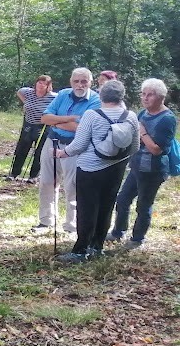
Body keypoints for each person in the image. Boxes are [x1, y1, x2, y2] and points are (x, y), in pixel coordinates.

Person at [55, 80, 135, 262]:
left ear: (101, 96)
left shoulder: (92, 115)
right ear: (121, 96)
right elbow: (135, 146)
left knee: (87, 208)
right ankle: (97, 247)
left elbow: (79, 144)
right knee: (106, 207)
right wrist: (118, 161)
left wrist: (62, 152)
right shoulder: (130, 116)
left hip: (90, 169)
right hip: (116, 169)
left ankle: (80, 250)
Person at [108, 79, 176, 250]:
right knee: (122, 199)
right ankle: (118, 231)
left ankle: (137, 239)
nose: (145, 98)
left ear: (161, 97)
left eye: (150, 94)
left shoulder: (167, 119)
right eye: (143, 94)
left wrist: (142, 131)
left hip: (153, 170)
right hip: (137, 166)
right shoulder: (142, 114)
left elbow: (156, 150)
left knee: (143, 205)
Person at [37, 68, 100, 234]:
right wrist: (69, 119)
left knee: (72, 186)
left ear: (90, 83)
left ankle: (71, 226)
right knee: (46, 182)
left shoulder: (95, 100)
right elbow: (44, 118)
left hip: (76, 147)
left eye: (84, 81)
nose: (80, 85)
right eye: (76, 81)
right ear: (71, 81)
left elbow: (81, 129)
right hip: (52, 142)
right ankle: (46, 221)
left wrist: (56, 121)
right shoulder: (63, 94)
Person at [7, 75, 55, 182]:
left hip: (43, 126)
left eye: (44, 84)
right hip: (28, 123)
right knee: (21, 149)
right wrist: (25, 102)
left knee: (40, 151)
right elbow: (19, 91)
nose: (41, 85)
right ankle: (14, 173)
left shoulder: (53, 97)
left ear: (48, 86)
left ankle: (33, 176)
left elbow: (60, 103)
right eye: (39, 82)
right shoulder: (29, 92)